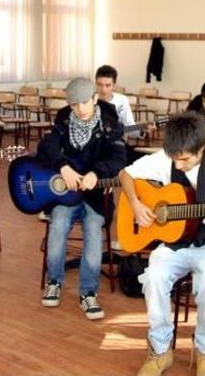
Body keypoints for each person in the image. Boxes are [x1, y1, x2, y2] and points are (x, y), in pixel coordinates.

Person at [119, 111, 205, 376]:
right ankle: (160, 350)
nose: (178, 166)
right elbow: (125, 174)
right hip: (175, 242)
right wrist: (135, 203)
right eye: (175, 160)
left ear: (201, 148)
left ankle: (204, 351)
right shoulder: (169, 157)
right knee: (154, 276)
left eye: (185, 160)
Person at [37, 77, 127, 320]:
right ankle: (54, 281)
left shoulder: (110, 123)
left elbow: (120, 159)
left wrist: (97, 173)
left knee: (93, 233)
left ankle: (88, 293)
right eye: (75, 104)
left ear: (95, 98)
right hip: (67, 195)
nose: (81, 109)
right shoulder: (64, 121)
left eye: (85, 102)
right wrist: (62, 166)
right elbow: (46, 148)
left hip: (96, 197)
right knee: (58, 225)